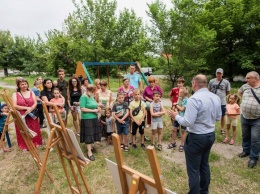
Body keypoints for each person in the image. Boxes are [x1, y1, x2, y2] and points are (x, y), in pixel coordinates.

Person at [168, 74, 221, 194]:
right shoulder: (215, 97)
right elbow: (218, 117)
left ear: (194, 84)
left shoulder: (194, 99)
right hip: (210, 135)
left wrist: (175, 116)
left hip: (196, 137)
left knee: (193, 170)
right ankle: (204, 191)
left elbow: (188, 122)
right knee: (204, 165)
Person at [12, 77, 43, 151]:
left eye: (25, 84)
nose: (24, 85)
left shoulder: (31, 92)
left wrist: (31, 108)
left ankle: (35, 142)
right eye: (22, 84)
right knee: (23, 129)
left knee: (34, 128)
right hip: (22, 115)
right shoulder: (15, 94)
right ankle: (24, 145)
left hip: (32, 114)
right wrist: (26, 108)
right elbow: (14, 105)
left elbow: (35, 103)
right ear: (18, 85)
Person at [238, 71, 260, 168]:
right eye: (246, 78)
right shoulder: (245, 86)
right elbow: (239, 93)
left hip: (257, 118)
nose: (246, 80)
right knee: (245, 135)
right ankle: (245, 151)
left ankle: (253, 157)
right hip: (245, 116)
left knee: (255, 138)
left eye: (248, 78)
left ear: (256, 78)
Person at [79, 84, 101, 161]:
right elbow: (82, 108)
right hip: (87, 118)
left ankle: (90, 146)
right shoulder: (83, 97)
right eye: (92, 92)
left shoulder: (91, 96)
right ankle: (89, 153)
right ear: (88, 90)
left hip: (94, 117)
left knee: (93, 133)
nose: (93, 93)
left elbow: (94, 104)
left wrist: (98, 106)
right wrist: (93, 110)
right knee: (88, 134)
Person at [208, 68, 231, 134]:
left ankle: (222, 128)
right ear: (216, 74)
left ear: (222, 74)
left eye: (220, 73)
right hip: (212, 101)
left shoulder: (226, 82)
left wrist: (222, 96)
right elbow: (209, 89)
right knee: (211, 114)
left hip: (222, 101)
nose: (218, 75)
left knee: (222, 115)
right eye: (217, 73)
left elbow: (228, 92)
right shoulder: (211, 81)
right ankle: (211, 127)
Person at [168, 87, 189, 152]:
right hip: (177, 116)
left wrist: (176, 105)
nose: (178, 93)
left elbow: (182, 109)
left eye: (180, 92)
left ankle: (182, 145)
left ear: (183, 93)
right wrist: (175, 110)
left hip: (183, 118)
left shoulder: (187, 100)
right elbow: (176, 107)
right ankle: (173, 143)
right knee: (174, 129)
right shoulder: (179, 98)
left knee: (183, 131)